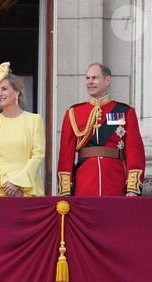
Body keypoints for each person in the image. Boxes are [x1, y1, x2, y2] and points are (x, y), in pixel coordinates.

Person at [57, 63, 145, 196]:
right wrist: (65, 191)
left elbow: (135, 151)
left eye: (94, 78)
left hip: (116, 181)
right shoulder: (74, 113)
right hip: (84, 183)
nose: (90, 82)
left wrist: (132, 188)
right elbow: (66, 155)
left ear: (107, 80)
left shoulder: (125, 111)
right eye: (87, 78)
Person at [0, 62, 45, 196]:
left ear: (17, 92)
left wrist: (18, 182)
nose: (0, 94)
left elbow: (38, 155)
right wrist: (5, 183)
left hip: (27, 190)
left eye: (4, 89)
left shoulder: (34, 120)